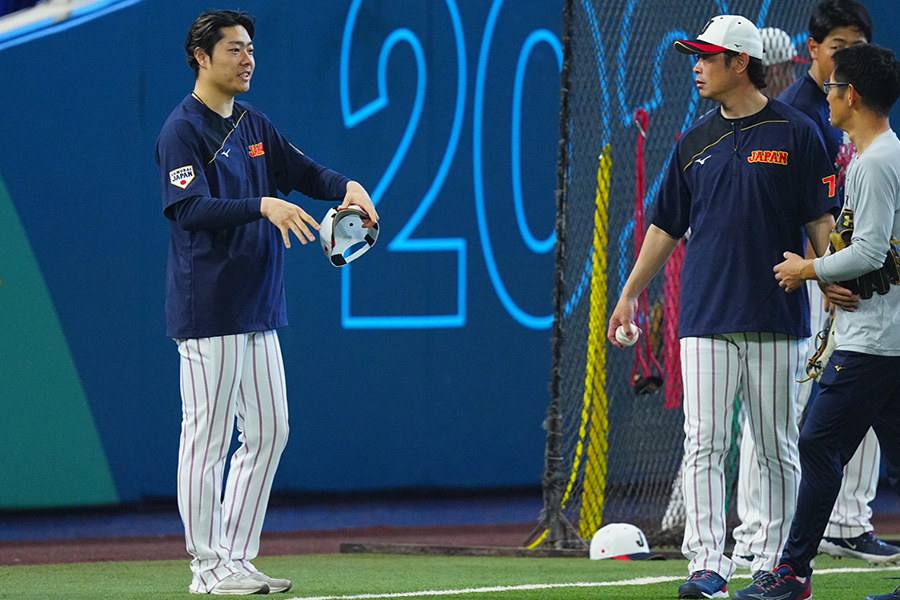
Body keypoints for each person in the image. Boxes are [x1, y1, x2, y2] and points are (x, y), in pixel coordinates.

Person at [608, 14, 840, 599]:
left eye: (707, 57)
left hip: (776, 315)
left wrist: (836, 281)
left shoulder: (796, 131)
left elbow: (820, 221)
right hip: (706, 317)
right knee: (704, 442)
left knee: (775, 445)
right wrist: (629, 294)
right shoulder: (693, 142)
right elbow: (665, 226)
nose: (697, 66)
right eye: (695, 56)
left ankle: (775, 564)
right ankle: (707, 564)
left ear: (740, 63)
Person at [155, 10, 379, 595]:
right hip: (209, 310)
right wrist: (263, 205)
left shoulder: (253, 123)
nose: (247, 59)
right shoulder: (182, 130)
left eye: (250, 48)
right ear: (201, 57)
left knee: (270, 430)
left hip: (258, 306)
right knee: (206, 441)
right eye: (234, 49)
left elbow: (302, 171)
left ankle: (235, 557)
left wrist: (348, 186)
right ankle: (207, 569)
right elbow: (188, 210)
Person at [732, 0, 900, 569]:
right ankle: (771, 540)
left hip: (858, 316)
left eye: (837, 84)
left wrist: (810, 270)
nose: (828, 91)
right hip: (853, 307)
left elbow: (868, 249)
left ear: (853, 94)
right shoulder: (871, 148)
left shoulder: (872, 160)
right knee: (801, 429)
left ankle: (790, 564)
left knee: (813, 437)